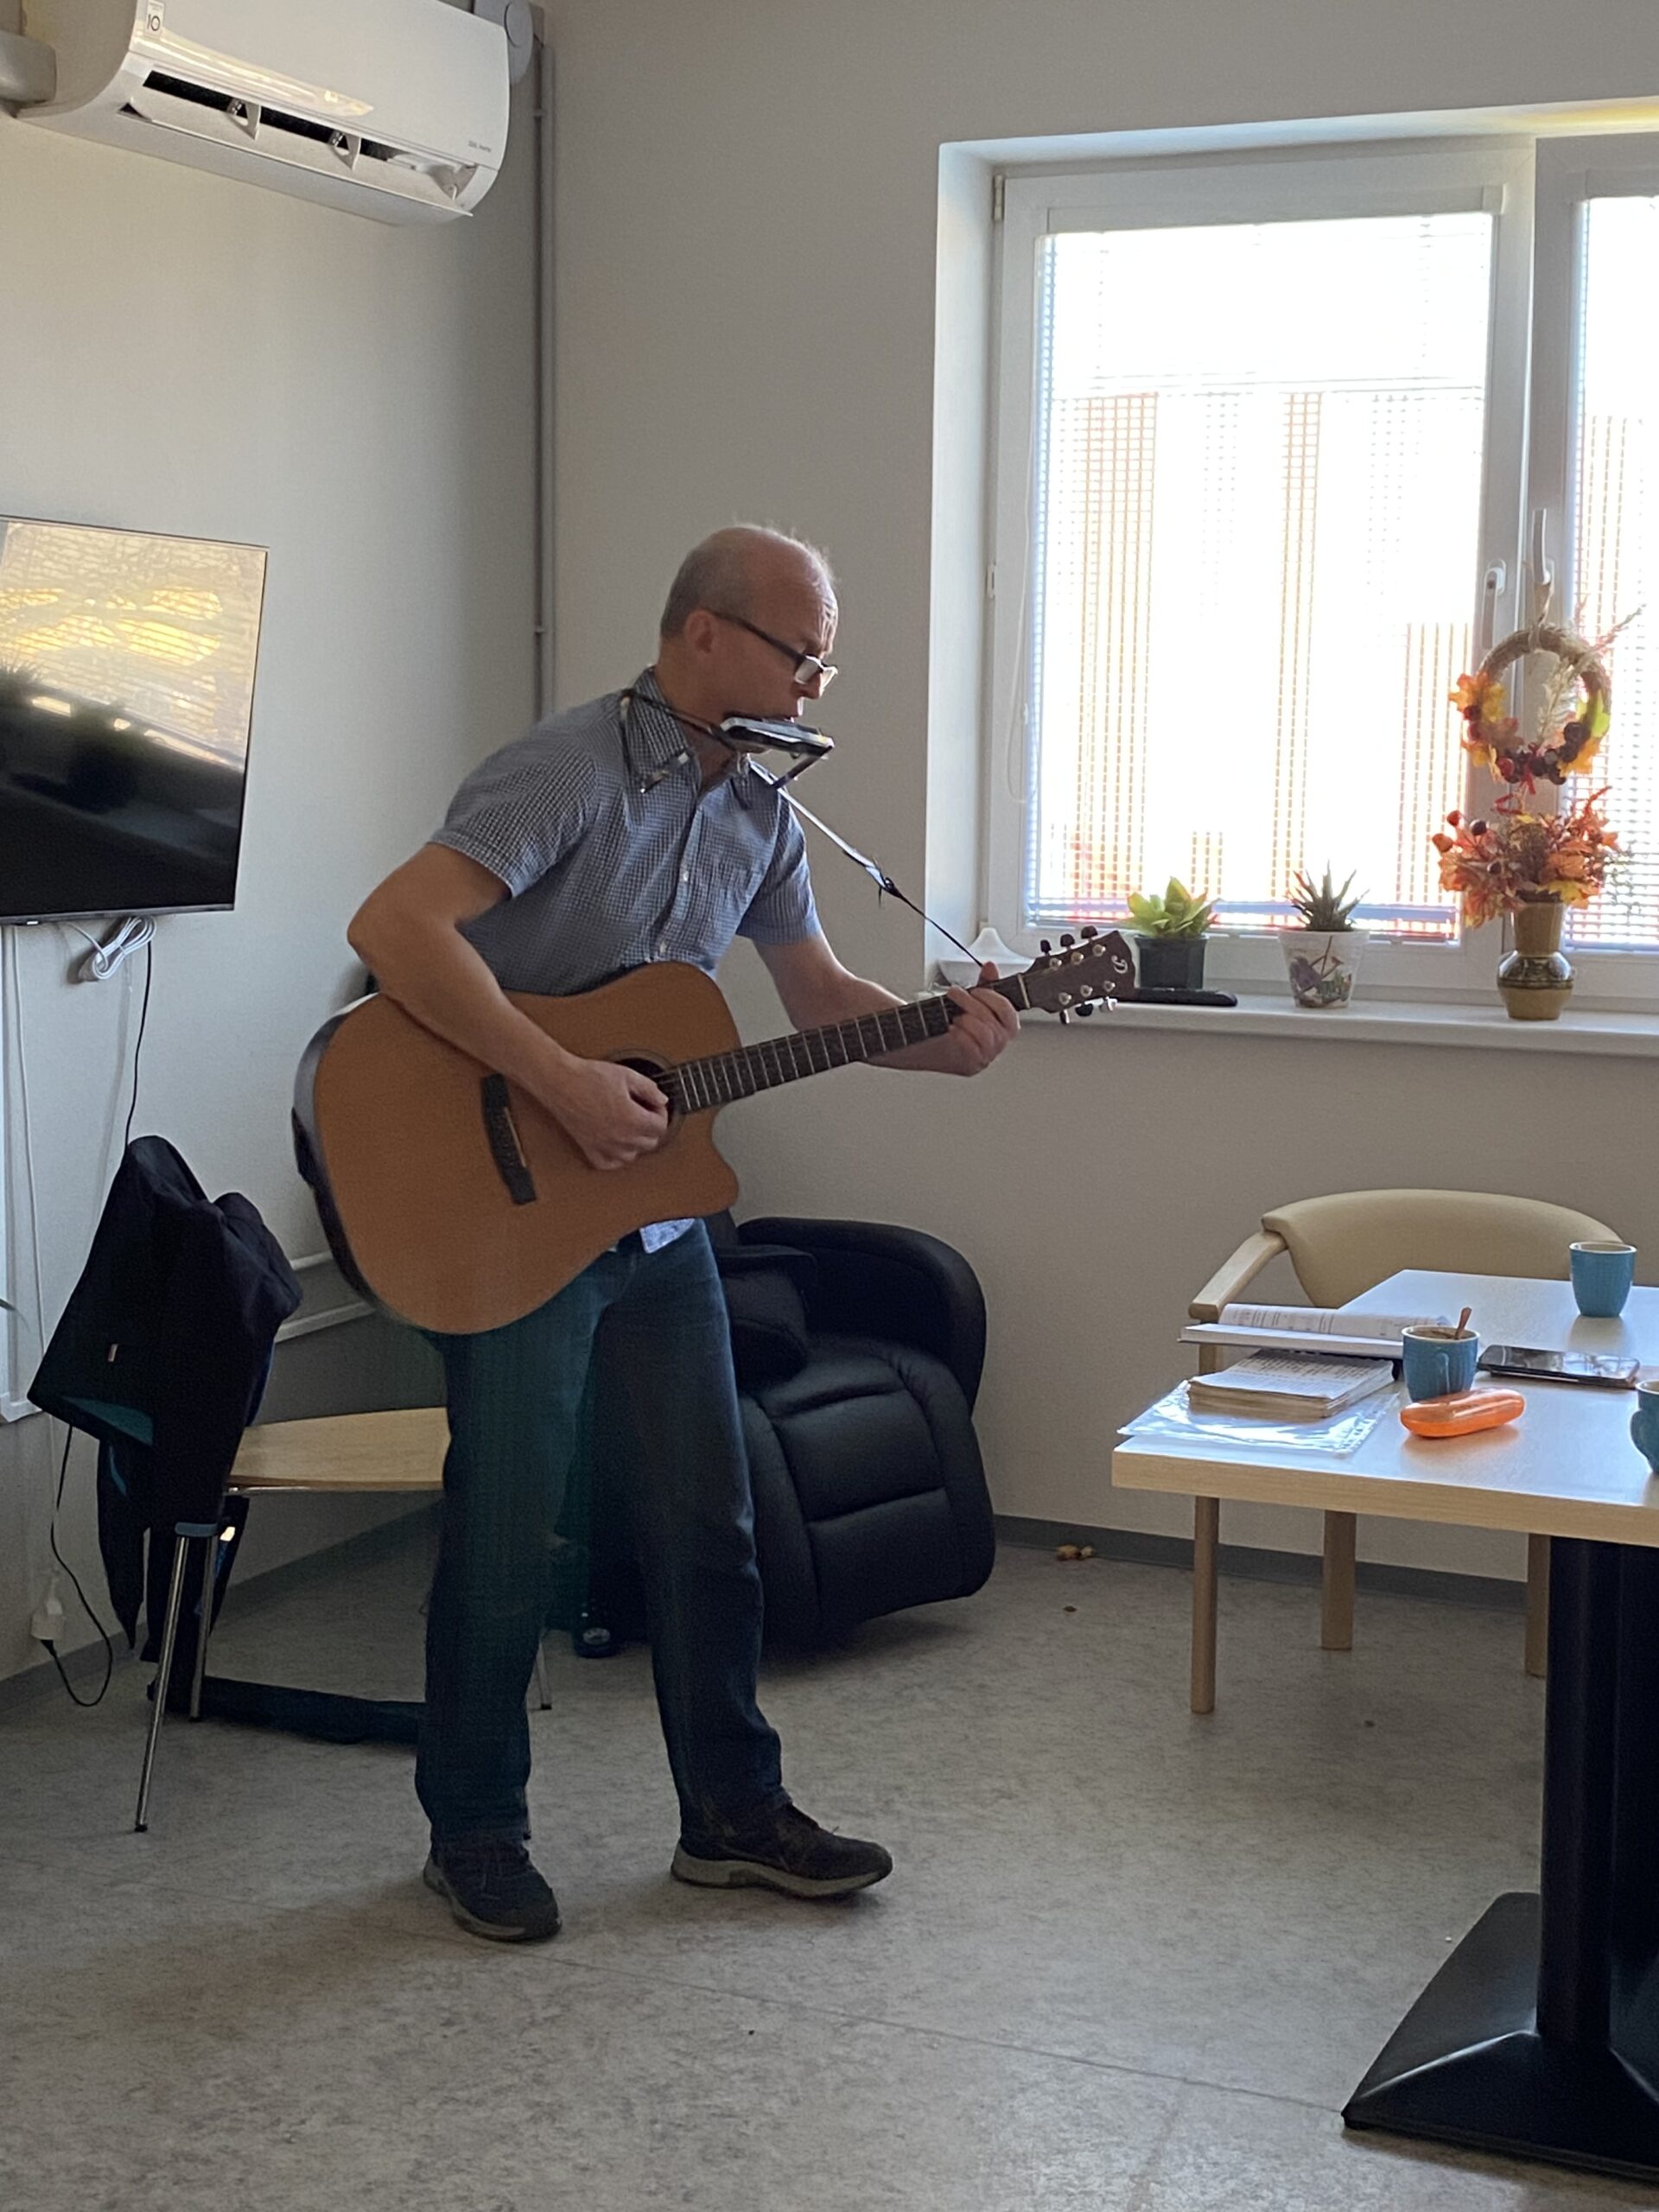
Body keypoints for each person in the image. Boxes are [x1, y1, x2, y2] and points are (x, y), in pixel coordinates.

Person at [347, 525, 1017, 1942]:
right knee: (509, 1533)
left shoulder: (761, 815)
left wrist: (943, 1043)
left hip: (652, 1223)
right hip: (500, 1198)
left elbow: (819, 996)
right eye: (800, 655)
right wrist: (561, 1080)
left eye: (825, 664)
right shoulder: (567, 770)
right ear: (703, 634)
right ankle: (474, 1831)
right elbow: (396, 928)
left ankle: (731, 1815)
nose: (815, 686)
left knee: (710, 1526)